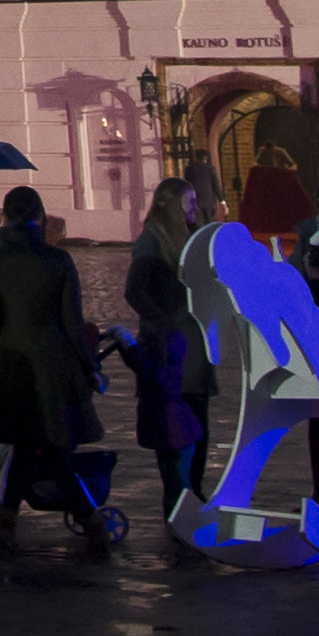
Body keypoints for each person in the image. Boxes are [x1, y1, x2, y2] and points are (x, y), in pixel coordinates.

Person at [0, 185, 100, 551]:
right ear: (39, 216)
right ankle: (90, 519)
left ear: (4, 217)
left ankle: (6, 518)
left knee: (25, 443)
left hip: (10, 365)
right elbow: (72, 321)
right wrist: (90, 366)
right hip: (52, 364)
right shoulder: (58, 261)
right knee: (52, 448)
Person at [120, 176, 213, 512]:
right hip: (170, 346)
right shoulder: (152, 241)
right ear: (172, 205)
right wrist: (164, 323)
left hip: (195, 340)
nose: (193, 208)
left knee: (198, 417)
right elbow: (135, 290)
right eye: (187, 202)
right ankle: (178, 495)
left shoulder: (190, 239)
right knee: (172, 423)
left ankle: (194, 491)